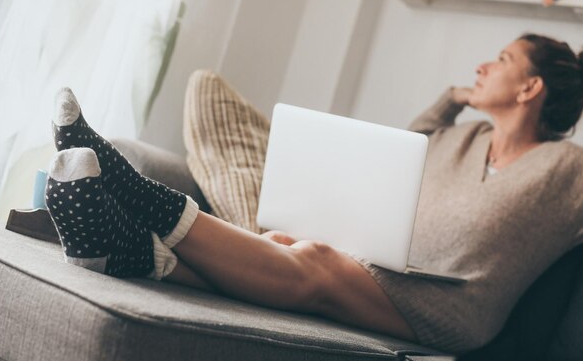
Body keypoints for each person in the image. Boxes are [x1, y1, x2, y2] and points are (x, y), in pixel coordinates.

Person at [44, 33, 583, 354]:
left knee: (315, 259)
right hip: (385, 268)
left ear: (530, 87)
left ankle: (136, 193)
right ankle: (119, 250)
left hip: (452, 306)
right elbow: (406, 146)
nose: (482, 66)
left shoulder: (567, 167)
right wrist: (451, 100)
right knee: (291, 243)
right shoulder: (464, 136)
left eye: (502, 60)